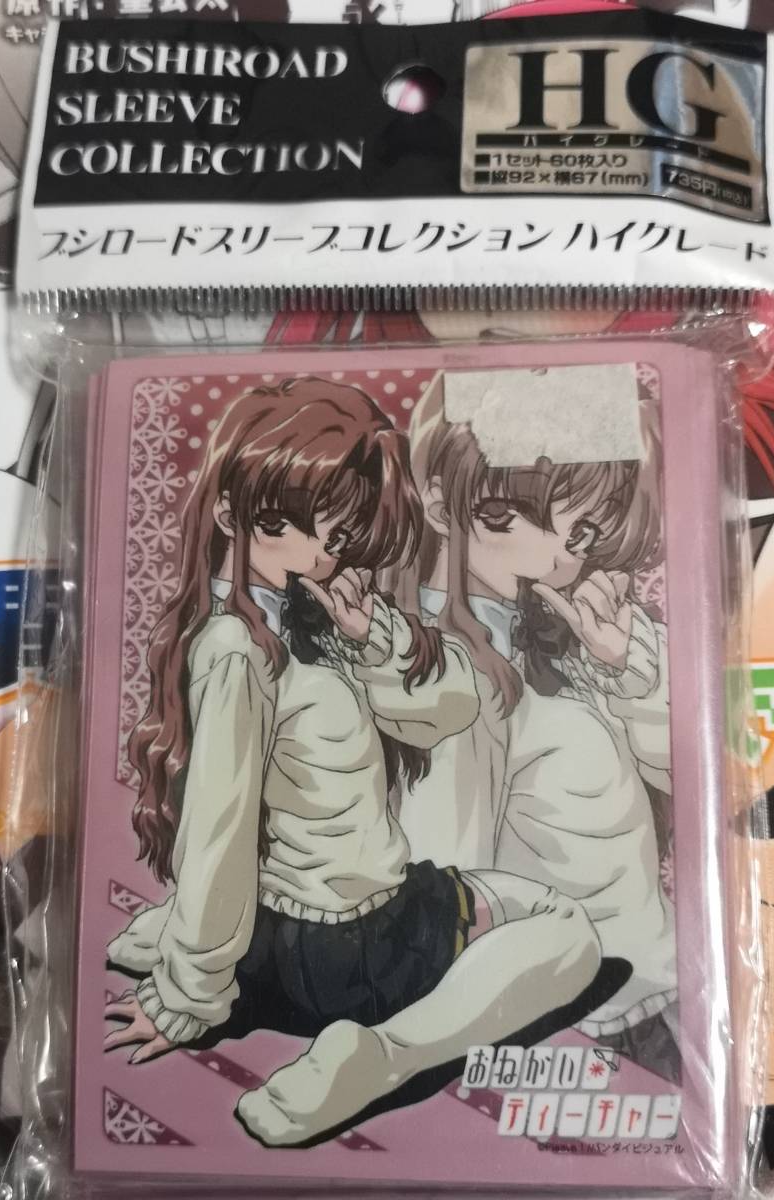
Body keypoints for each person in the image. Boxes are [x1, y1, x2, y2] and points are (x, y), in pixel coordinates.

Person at [104, 377, 601, 1146]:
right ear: (229, 510)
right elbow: (218, 829)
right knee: (567, 931)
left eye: (334, 537)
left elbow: (454, 708)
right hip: (356, 950)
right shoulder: (239, 650)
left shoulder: (310, 620)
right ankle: (382, 1056)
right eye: (285, 524)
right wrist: (189, 995)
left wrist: (376, 639)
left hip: (279, 936)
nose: (315, 553)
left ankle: (189, 940)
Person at [398, 368, 679, 1081]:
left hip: (652, 993)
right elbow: (443, 884)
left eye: (582, 528)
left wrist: (625, 668)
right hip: (574, 1027)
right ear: (443, 504)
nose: (566, 551)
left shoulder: (566, 629)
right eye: (525, 516)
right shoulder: (446, 669)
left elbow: (700, 779)